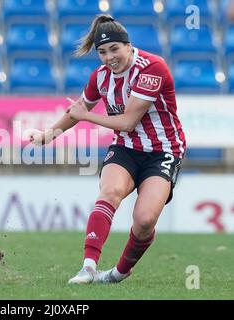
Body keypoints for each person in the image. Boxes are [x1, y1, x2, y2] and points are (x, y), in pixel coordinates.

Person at [28, 14, 186, 284]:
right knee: (110, 192)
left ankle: (118, 273)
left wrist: (85, 116)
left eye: (114, 49)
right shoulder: (100, 77)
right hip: (125, 147)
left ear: (128, 45)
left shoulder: (152, 68)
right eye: (102, 52)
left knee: (145, 220)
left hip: (163, 150)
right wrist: (48, 135)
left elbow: (126, 121)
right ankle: (88, 267)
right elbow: (78, 109)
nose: (109, 57)